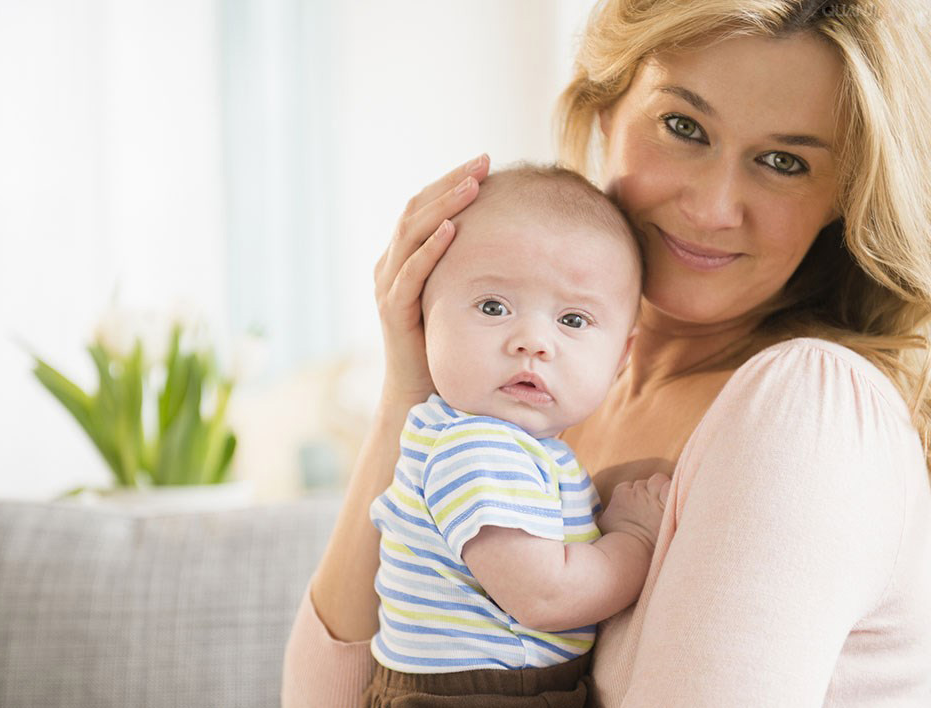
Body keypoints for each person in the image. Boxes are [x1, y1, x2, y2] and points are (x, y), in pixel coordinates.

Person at [283, 1, 931, 705]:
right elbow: (326, 697)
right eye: (684, 127)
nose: (714, 207)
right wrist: (409, 394)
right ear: (604, 111)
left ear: (846, 194)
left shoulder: (809, 409)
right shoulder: (535, 399)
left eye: (783, 162)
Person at [363, 165, 671, 706]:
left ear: (622, 356)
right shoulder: (476, 448)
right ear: (424, 317)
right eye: (493, 307)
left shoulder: (521, 451)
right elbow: (546, 594)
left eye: (573, 320)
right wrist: (636, 541)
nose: (532, 341)